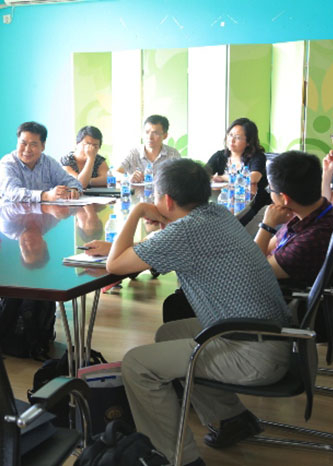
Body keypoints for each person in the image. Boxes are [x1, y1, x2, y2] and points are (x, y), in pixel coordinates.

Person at [105, 158, 292, 466]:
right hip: (273, 338)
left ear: (166, 200)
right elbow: (152, 246)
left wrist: (138, 211)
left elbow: (115, 265)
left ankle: (179, 458)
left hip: (253, 354)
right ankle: (232, 419)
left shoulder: (185, 232)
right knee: (170, 333)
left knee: (137, 365)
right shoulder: (217, 214)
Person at [254, 151, 333, 286]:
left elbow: (252, 270)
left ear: (285, 198)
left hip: (276, 294)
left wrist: (267, 225)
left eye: (270, 189)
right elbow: (268, 247)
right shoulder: (313, 211)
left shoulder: (309, 240)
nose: (270, 193)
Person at [0, 121, 82, 202]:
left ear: (43, 146)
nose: (27, 149)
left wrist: (73, 190)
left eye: (33, 144)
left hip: (41, 212)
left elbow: (72, 181)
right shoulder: (7, 163)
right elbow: (13, 192)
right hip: (11, 213)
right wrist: (45, 196)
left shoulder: (48, 163)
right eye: (23, 143)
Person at [206, 117, 271, 225]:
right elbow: (203, 175)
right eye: (230, 135)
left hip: (252, 206)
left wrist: (223, 178)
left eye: (238, 137)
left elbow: (253, 178)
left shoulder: (257, 157)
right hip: (223, 203)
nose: (232, 140)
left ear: (248, 142)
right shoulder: (219, 156)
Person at [117, 114, 181, 184]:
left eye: (155, 133)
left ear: (165, 135)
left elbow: (180, 178)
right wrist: (128, 178)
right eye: (146, 132)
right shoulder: (134, 153)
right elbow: (115, 173)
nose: (150, 137)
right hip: (136, 191)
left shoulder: (173, 154)